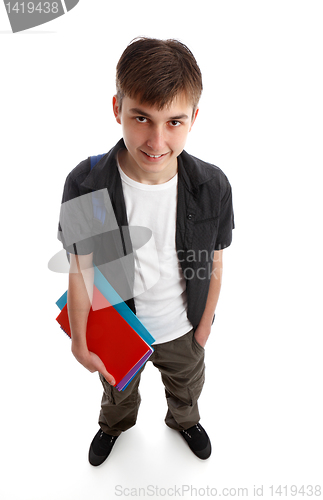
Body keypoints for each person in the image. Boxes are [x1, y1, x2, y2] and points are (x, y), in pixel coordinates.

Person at [57, 37, 234, 466]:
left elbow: (215, 261)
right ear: (117, 108)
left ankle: (185, 420)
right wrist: (81, 342)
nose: (156, 139)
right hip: (119, 326)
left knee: (187, 386)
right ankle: (114, 425)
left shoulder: (212, 186)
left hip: (181, 329)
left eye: (174, 122)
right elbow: (80, 269)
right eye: (141, 118)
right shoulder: (86, 183)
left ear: (194, 118)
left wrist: (204, 326)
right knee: (117, 389)